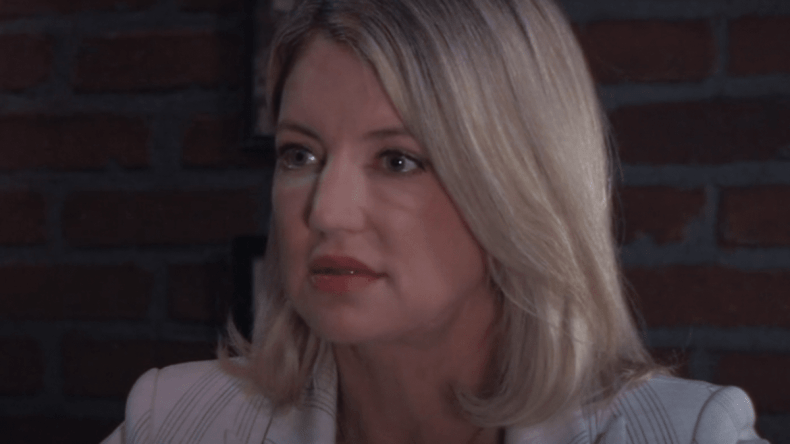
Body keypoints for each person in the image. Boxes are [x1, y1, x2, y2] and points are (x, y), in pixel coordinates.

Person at [101, 0, 769, 443]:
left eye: (398, 160)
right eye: (300, 154)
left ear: (517, 184)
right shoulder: (173, 422)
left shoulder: (690, 435)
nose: (326, 213)